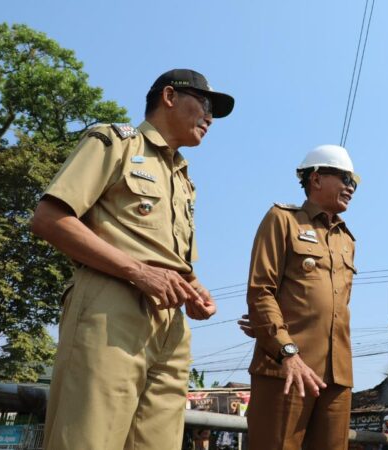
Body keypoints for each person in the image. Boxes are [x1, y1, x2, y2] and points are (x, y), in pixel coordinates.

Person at [31, 68, 234, 449]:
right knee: (88, 439)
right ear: (169, 97)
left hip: (170, 325)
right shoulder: (117, 142)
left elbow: (166, 256)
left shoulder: (183, 178)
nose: (209, 118)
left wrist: (193, 287)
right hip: (110, 306)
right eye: (205, 104)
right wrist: (139, 272)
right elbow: (49, 219)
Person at [245, 145, 359, 450]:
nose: (351, 187)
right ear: (317, 178)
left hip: (336, 378)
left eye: (355, 183)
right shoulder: (282, 220)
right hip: (286, 369)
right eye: (346, 177)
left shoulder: (347, 239)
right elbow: (261, 292)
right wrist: (286, 352)